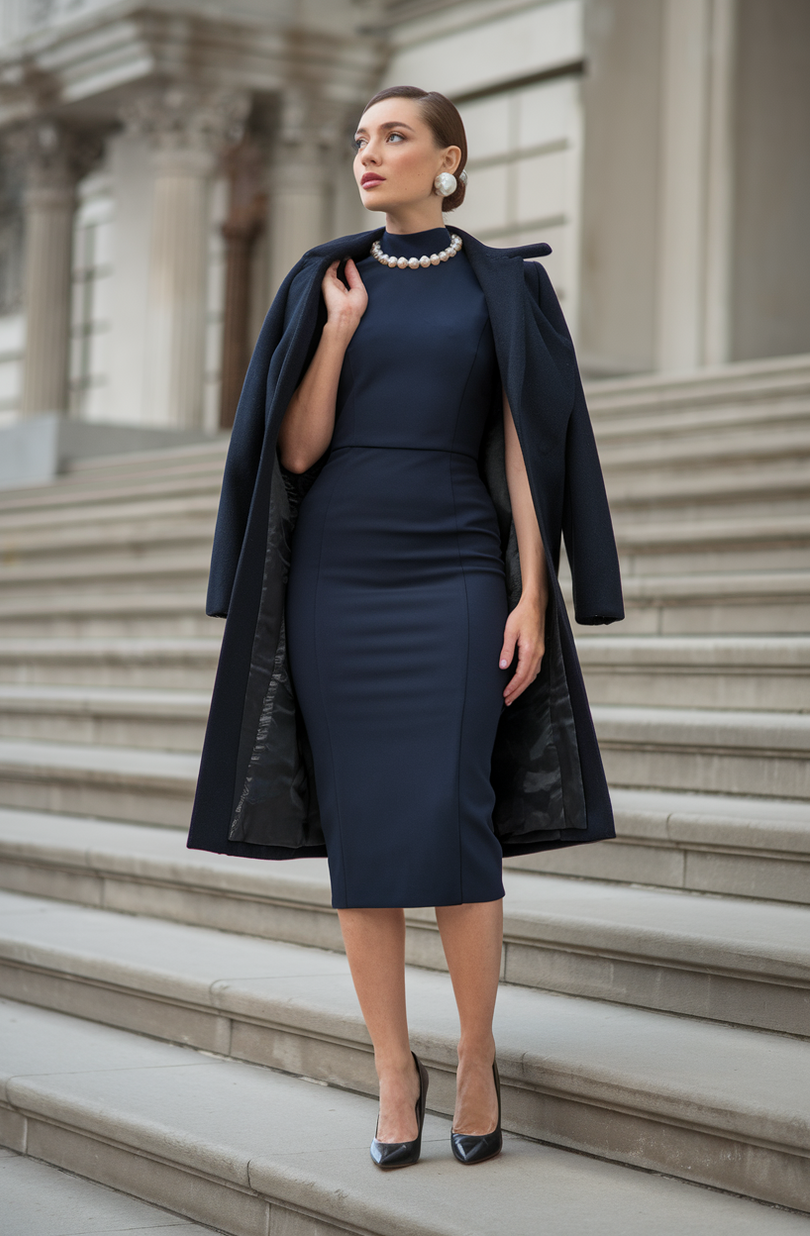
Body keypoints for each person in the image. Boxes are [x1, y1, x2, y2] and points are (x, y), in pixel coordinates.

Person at [186, 85, 623, 1171]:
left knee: (453, 815)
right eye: (358, 141)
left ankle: (472, 1058)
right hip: (337, 570)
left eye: (392, 138)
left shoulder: (503, 286)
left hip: (458, 565)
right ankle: (392, 1068)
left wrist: (533, 593)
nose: (367, 156)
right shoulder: (321, 280)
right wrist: (335, 335)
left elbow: (530, 448)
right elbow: (292, 452)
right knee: (369, 837)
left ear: (448, 162)